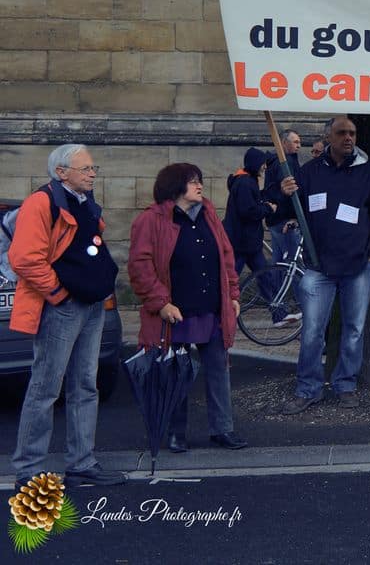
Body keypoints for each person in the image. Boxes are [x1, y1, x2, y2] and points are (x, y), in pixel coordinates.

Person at [9, 144, 124, 488]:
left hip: (90, 304)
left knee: (85, 385)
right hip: (63, 306)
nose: (92, 174)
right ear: (61, 172)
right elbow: (24, 258)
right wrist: (58, 293)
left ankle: (81, 463)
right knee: (46, 388)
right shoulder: (41, 202)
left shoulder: (83, 201)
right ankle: (28, 469)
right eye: (85, 168)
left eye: (93, 168)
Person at [277, 116, 370, 413]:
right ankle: (308, 389)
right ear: (329, 136)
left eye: (352, 133)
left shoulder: (367, 172)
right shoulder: (310, 172)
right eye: (342, 133)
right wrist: (284, 193)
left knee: (354, 329)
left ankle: (345, 385)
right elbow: (286, 212)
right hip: (319, 268)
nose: (348, 138)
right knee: (312, 332)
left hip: (358, 266)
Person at [128, 163, 247, 453]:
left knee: (218, 368)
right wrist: (161, 303)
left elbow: (226, 256)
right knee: (175, 372)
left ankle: (223, 429)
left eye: (199, 180)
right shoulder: (151, 219)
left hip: (211, 307)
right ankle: (175, 432)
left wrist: (233, 294)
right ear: (175, 186)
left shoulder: (208, 213)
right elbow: (140, 266)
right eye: (193, 181)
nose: (199, 185)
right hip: (175, 310)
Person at [221, 147, 278, 278]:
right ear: (255, 163)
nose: (265, 167)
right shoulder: (245, 183)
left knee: (264, 276)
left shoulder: (246, 180)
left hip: (247, 241)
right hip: (243, 241)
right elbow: (248, 211)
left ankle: (272, 293)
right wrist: (268, 208)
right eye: (263, 163)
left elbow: (250, 204)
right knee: (233, 278)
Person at [264, 128, 303, 265]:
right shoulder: (285, 163)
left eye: (299, 142)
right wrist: (294, 217)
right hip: (285, 220)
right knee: (292, 264)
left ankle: (276, 281)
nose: (299, 146)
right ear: (284, 143)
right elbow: (290, 192)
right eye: (295, 142)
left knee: (279, 263)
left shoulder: (274, 162)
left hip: (275, 219)